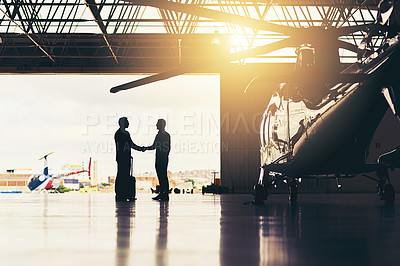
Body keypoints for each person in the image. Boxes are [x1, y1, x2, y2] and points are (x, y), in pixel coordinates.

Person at [114, 117, 144, 202]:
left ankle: (121, 194)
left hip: (122, 157)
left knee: (121, 175)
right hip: (124, 157)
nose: (128, 123)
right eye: (127, 122)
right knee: (123, 175)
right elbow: (131, 144)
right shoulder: (124, 134)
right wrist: (141, 149)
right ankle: (123, 193)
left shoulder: (118, 133)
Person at [143, 119, 171, 201]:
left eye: (157, 124)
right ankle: (164, 193)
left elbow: (153, 146)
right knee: (163, 176)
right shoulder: (166, 135)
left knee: (161, 175)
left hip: (160, 157)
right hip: (164, 157)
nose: (156, 125)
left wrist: (145, 148)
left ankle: (163, 194)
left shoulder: (160, 135)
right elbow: (168, 148)